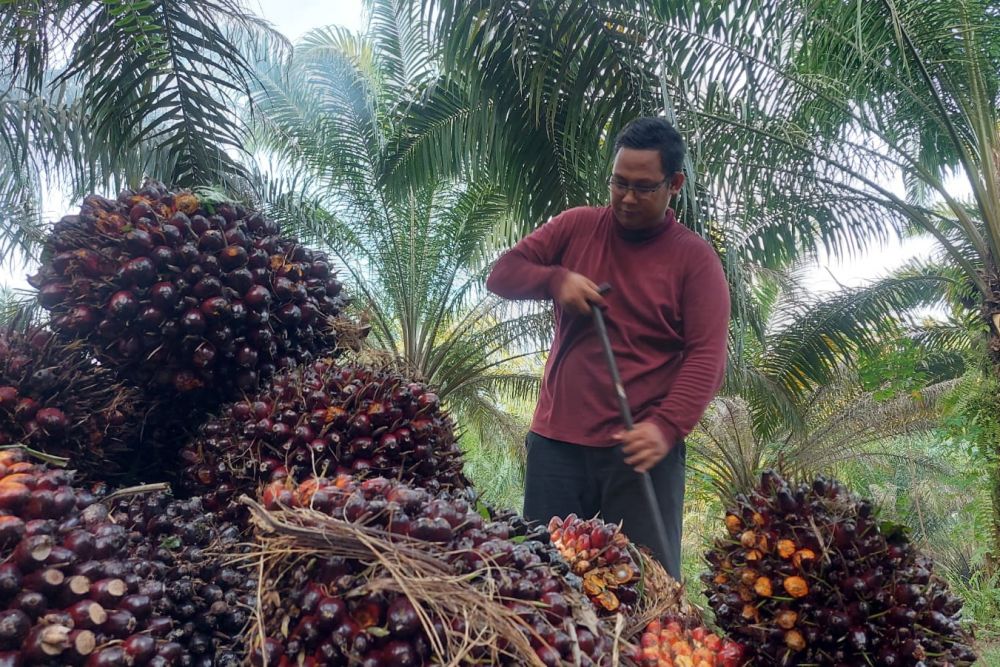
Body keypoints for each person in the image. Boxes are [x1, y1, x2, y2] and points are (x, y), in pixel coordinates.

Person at [485, 116, 730, 578]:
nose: (627, 198)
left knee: (645, 585)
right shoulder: (577, 226)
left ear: (674, 184)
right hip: (556, 445)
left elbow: (707, 357)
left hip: (641, 454)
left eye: (644, 187)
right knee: (542, 579)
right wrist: (555, 280)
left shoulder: (694, 260)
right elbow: (502, 274)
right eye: (619, 183)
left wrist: (666, 427)